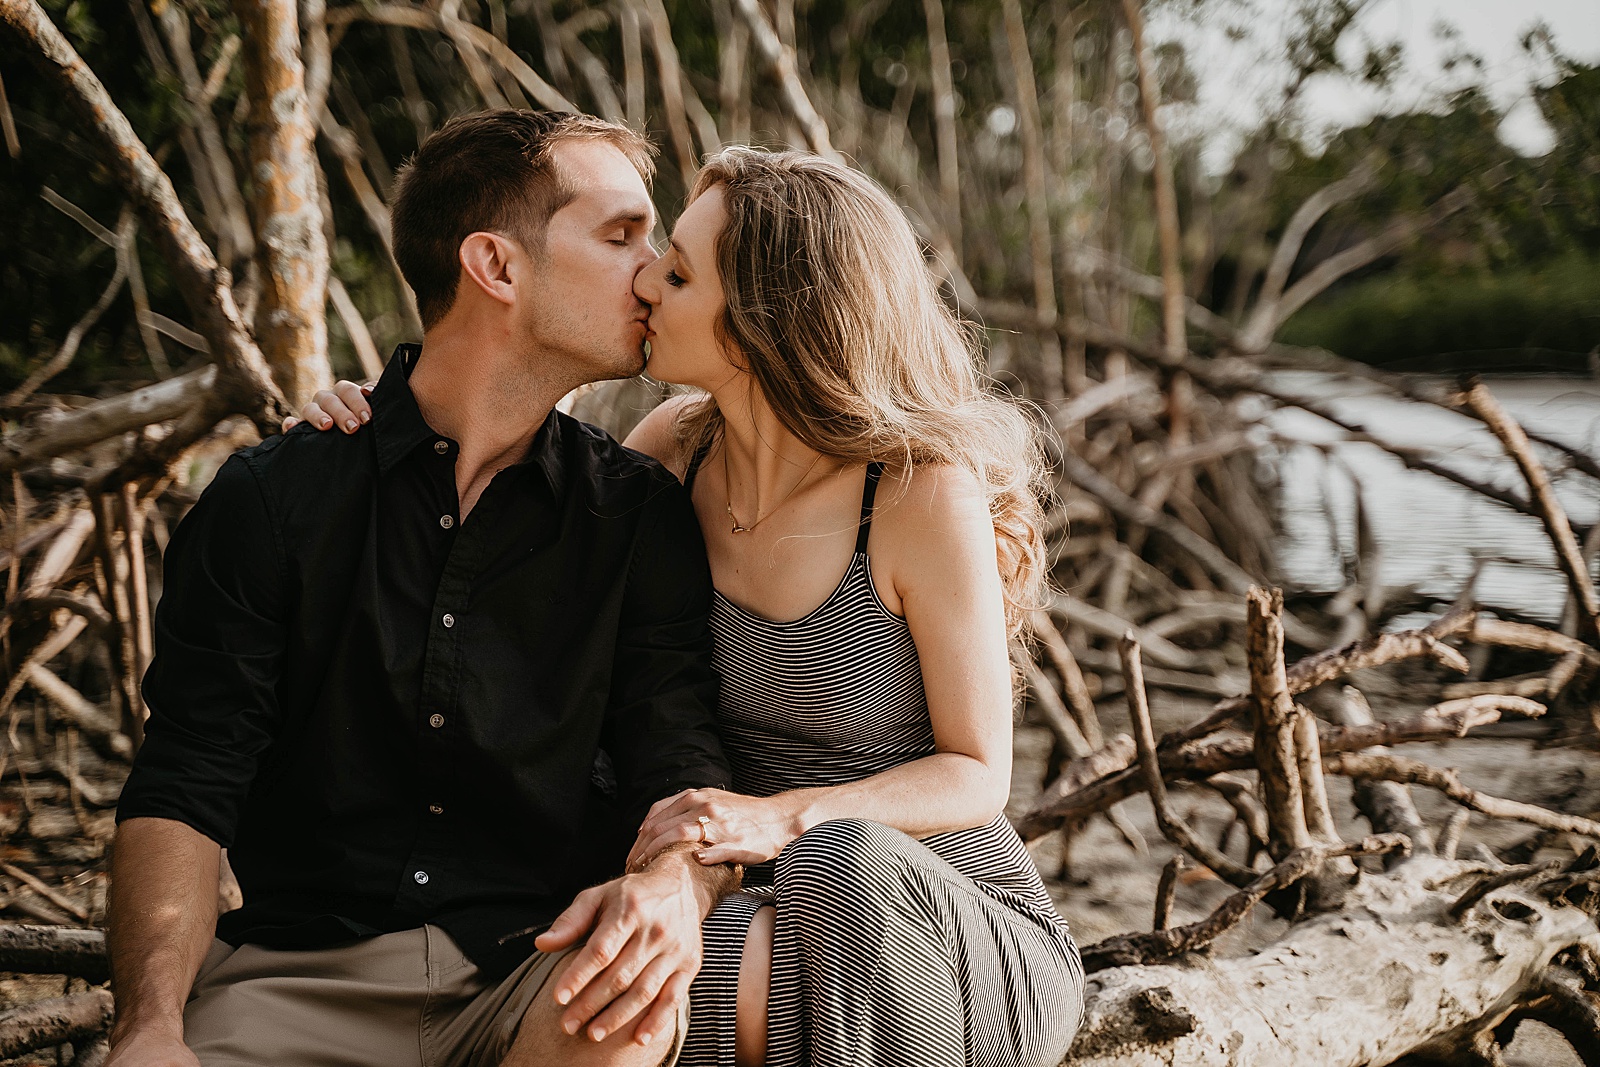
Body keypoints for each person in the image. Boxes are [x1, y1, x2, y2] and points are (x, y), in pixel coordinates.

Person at [302, 146, 1085, 1067]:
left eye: (676, 270)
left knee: (847, 860)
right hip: (757, 903)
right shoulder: (672, 449)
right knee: (604, 973)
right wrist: (380, 425)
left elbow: (977, 773)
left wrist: (781, 817)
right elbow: (513, 591)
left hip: (953, 920)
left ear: (760, 319)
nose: (646, 284)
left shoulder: (917, 493)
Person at [107, 110, 741, 1067]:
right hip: (292, 982)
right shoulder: (275, 499)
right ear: (496, 266)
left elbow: (678, 757)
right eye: (621, 236)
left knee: (628, 1018)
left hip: (534, 972)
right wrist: (148, 1026)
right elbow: (185, 782)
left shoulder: (637, 514)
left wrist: (676, 887)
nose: (653, 272)